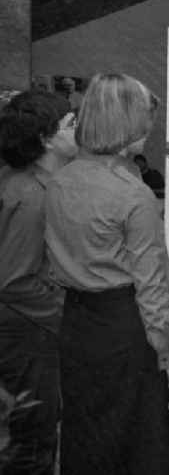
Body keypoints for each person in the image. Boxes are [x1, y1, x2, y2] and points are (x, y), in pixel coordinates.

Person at [44, 73, 169, 474]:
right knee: (145, 443)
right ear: (126, 123)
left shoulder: (59, 181)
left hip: (77, 327)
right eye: (145, 118)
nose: (150, 128)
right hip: (124, 331)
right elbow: (153, 294)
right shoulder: (134, 195)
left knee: (89, 433)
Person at [0, 91, 77, 474]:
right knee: (32, 437)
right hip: (26, 334)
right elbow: (14, 282)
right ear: (47, 139)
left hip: (25, 329)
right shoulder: (30, 196)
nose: (78, 129)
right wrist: (70, 313)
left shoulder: (25, 182)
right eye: (70, 124)